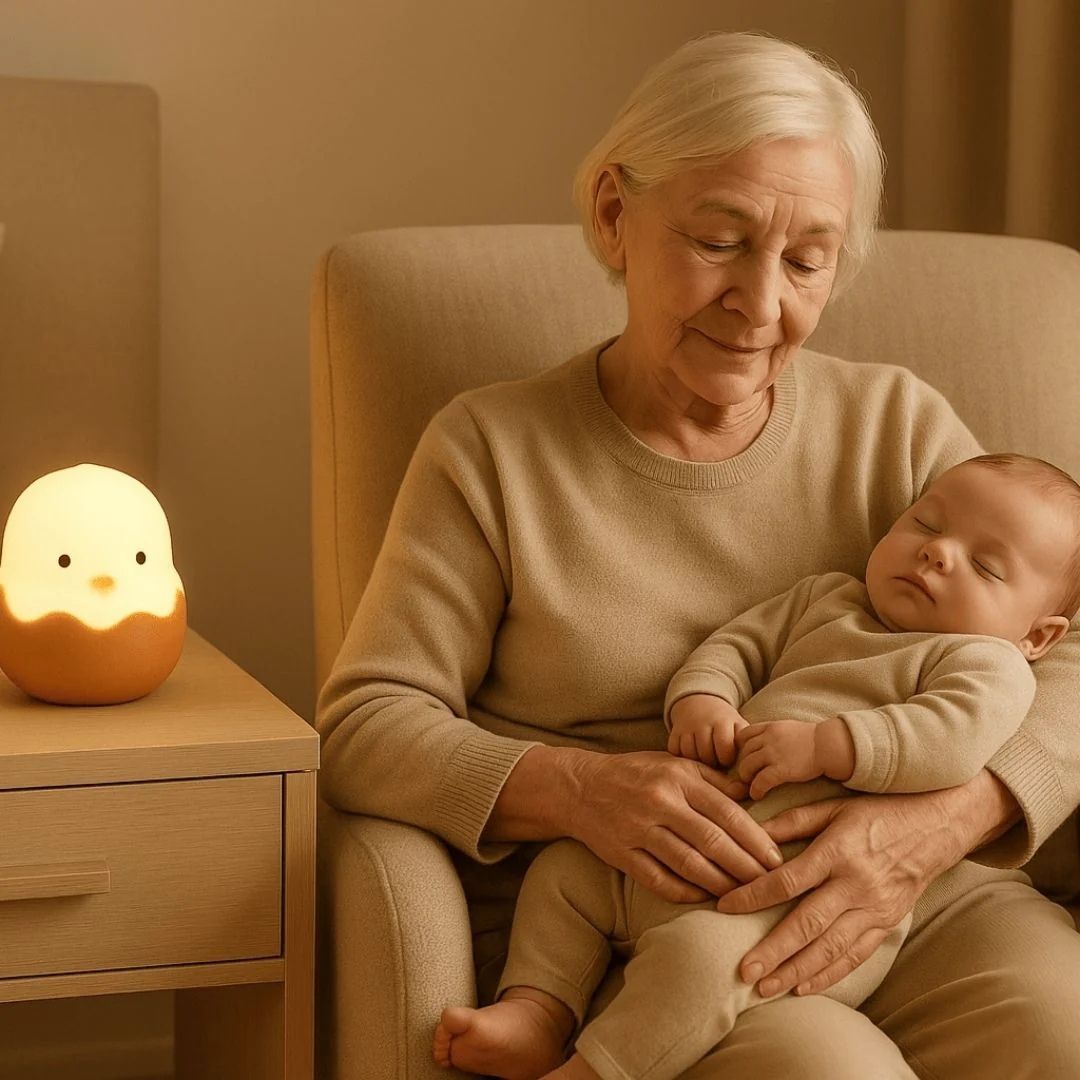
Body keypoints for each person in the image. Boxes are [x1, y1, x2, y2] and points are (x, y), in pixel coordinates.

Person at [316, 30, 1080, 1078]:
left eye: (807, 260)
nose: (761, 304)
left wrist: (940, 825)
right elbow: (366, 724)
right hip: (663, 918)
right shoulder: (491, 451)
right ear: (615, 215)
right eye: (720, 241)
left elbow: (1064, 644)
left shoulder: (898, 426)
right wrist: (583, 788)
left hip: (925, 892)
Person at [431, 453, 1079, 1080]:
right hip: (675, 838)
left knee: (703, 963)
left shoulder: (983, 663)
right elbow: (738, 646)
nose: (938, 552)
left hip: (796, 905)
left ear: (1038, 637)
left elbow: (953, 738)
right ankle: (538, 1010)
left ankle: (595, 1070)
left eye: (987, 567)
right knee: (564, 874)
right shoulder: (826, 599)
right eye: (925, 524)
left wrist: (831, 745)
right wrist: (703, 701)